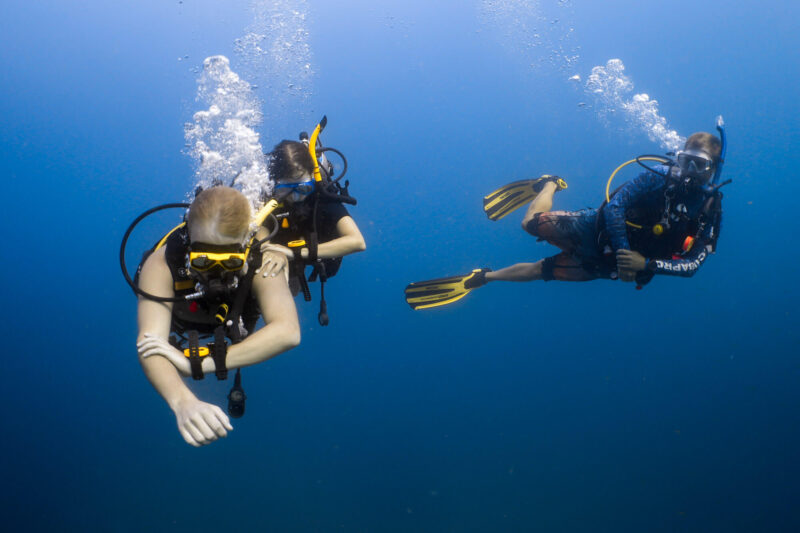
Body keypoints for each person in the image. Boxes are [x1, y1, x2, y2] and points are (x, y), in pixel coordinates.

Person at [405, 129, 727, 309]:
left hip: (612, 266)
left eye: (700, 166)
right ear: (678, 157)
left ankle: (482, 277)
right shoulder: (658, 175)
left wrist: (644, 265)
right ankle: (549, 183)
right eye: (687, 162)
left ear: (715, 169)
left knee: (540, 271)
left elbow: (694, 264)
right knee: (528, 224)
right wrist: (628, 255)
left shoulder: (710, 208)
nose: (689, 173)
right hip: (594, 229)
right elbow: (614, 207)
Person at [134, 186, 301, 446]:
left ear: (245, 244)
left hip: (239, 318)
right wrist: (182, 401)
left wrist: (200, 364)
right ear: (189, 240)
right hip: (185, 318)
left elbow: (288, 331)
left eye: (230, 262)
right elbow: (149, 340)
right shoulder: (163, 262)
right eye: (203, 261)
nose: (216, 275)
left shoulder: (261, 258)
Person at [259, 139, 366, 323]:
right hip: (284, 256)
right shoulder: (268, 198)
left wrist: (297, 253)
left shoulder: (322, 197)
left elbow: (357, 241)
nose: (295, 197)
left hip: (314, 252)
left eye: (303, 188)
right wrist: (270, 249)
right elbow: (258, 230)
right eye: (286, 190)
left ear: (312, 177)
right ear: (275, 184)